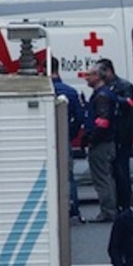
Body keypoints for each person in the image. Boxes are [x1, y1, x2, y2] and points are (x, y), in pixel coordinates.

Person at [96, 58, 133, 213]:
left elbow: (129, 103)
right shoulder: (107, 87)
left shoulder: (124, 86)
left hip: (123, 133)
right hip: (113, 134)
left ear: (108, 71)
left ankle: (126, 204)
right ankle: (119, 203)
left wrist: (112, 98)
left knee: (122, 170)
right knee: (114, 171)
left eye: (101, 72)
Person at [82, 64, 118, 222]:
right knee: (107, 177)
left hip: (101, 144)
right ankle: (110, 209)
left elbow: (103, 122)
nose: (86, 78)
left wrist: (91, 139)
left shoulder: (101, 96)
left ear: (97, 76)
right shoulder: (104, 94)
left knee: (102, 178)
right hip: (105, 141)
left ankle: (108, 211)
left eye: (89, 75)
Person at [51, 58, 85, 222]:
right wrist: (69, 134)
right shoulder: (70, 91)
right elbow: (79, 117)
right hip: (64, 139)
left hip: (46, 139)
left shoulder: (45, 91)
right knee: (68, 176)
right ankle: (73, 210)